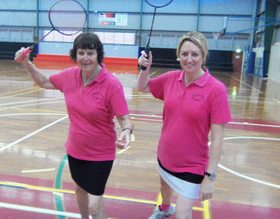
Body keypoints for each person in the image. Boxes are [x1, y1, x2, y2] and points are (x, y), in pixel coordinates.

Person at [15, 32, 133, 219]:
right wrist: (26, 63)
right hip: (76, 149)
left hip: (100, 154)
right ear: (75, 55)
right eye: (81, 53)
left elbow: (124, 118)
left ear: (98, 55)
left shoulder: (111, 84)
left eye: (90, 53)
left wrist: (126, 131)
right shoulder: (70, 76)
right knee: (79, 189)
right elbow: (44, 82)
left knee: (95, 206)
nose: (85, 58)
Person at [138, 31, 231, 219]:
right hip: (165, 155)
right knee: (164, 186)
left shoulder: (216, 89)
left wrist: (209, 176)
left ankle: (171, 209)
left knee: (183, 213)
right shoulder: (171, 78)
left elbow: (218, 137)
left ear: (203, 56)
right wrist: (144, 68)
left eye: (195, 54)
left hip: (192, 165)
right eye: (184, 54)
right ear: (178, 55)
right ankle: (164, 208)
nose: (189, 59)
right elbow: (143, 87)